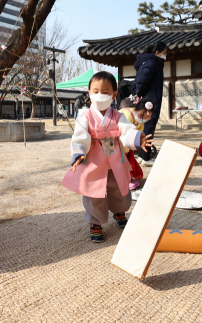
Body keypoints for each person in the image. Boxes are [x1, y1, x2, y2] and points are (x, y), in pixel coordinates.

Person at [63, 71, 153, 243]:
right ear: (89, 93)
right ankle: (95, 222)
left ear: (114, 94)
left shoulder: (118, 115)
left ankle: (119, 211)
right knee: (93, 192)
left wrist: (137, 138)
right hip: (93, 161)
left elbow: (126, 131)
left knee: (119, 187)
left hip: (114, 159)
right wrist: (78, 153)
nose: (100, 95)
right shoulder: (84, 116)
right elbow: (79, 136)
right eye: (95, 91)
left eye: (105, 91)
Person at [131, 41, 167, 167]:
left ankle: (141, 156)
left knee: (143, 128)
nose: (165, 56)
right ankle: (145, 158)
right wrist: (138, 92)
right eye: (164, 53)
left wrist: (136, 93)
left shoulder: (145, 62)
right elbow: (142, 80)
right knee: (148, 128)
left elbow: (136, 81)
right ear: (157, 52)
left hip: (145, 100)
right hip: (150, 101)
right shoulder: (152, 62)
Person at [118, 97, 155, 190]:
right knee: (121, 163)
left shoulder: (139, 121)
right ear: (135, 109)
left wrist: (141, 140)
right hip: (118, 143)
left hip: (125, 146)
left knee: (128, 163)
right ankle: (123, 182)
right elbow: (123, 132)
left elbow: (139, 134)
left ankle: (128, 179)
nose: (144, 118)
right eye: (142, 115)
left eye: (147, 117)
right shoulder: (126, 115)